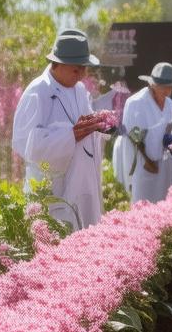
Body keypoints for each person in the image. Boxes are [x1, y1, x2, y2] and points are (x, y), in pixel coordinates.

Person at [11, 28, 107, 230]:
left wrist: (100, 126)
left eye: (84, 69)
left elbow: (86, 128)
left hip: (82, 182)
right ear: (58, 64)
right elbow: (25, 144)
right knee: (56, 239)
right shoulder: (38, 91)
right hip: (52, 187)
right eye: (77, 69)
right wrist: (69, 136)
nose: (82, 75)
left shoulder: (80, 90)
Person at [122, 62, 172, 203]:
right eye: (163, 87)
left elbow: (171, 129)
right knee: (143, 205)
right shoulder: (136, 102)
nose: (167, 90)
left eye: (169, 87)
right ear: (152, 84)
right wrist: (148, 161)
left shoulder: (170, 104)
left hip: (165, 165)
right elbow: (133, 135)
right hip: (143, 163)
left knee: (165, 206)